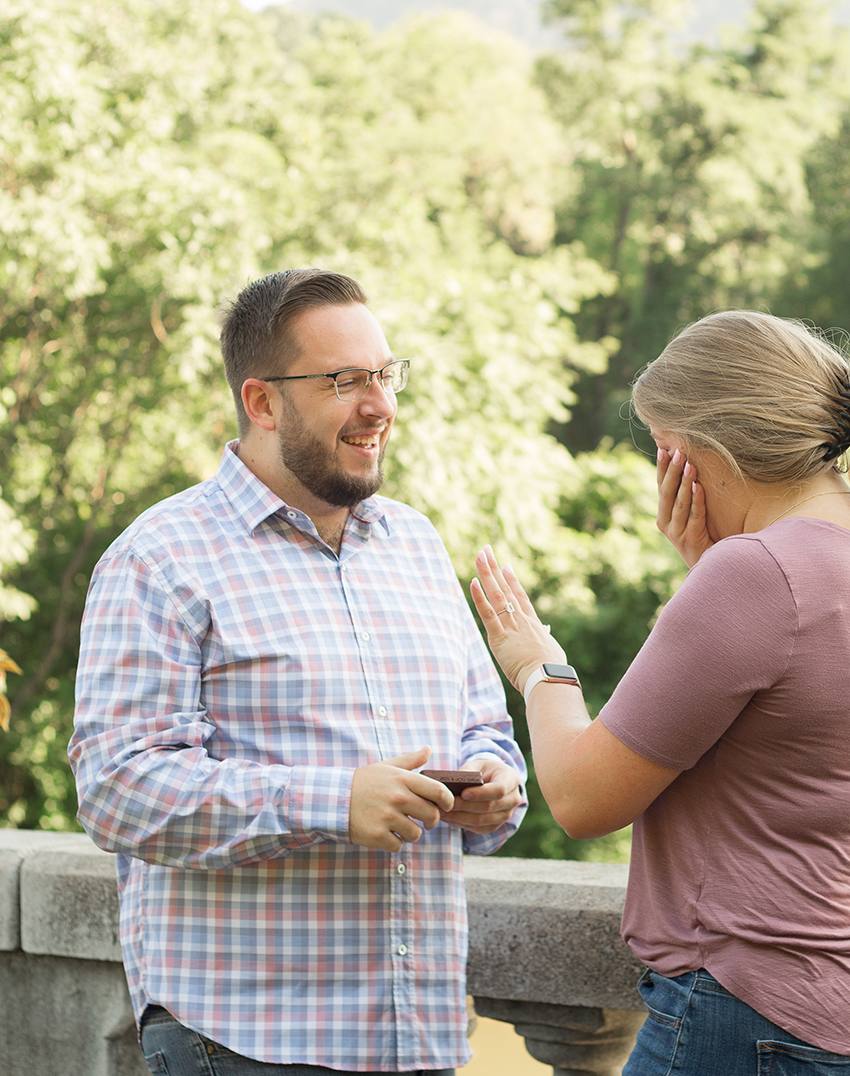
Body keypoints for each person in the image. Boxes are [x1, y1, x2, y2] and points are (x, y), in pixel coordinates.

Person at [471, 309, 850, 1076]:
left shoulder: (758, 575)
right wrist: (708, 573)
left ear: (698, 454)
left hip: (764, 1022)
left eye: (663, 451)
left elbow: (580, 799)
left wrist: (537, 666)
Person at [70, 267, 527, 1076]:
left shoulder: (416, 546)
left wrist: (492, 784)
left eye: (387, 375)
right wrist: (332, 801)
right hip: (245, 1043)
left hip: (417, 1038)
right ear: (263, 401)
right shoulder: (159, 557)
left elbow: (483, 727)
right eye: (346, 380)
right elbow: (117, 788)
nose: (381, 404)